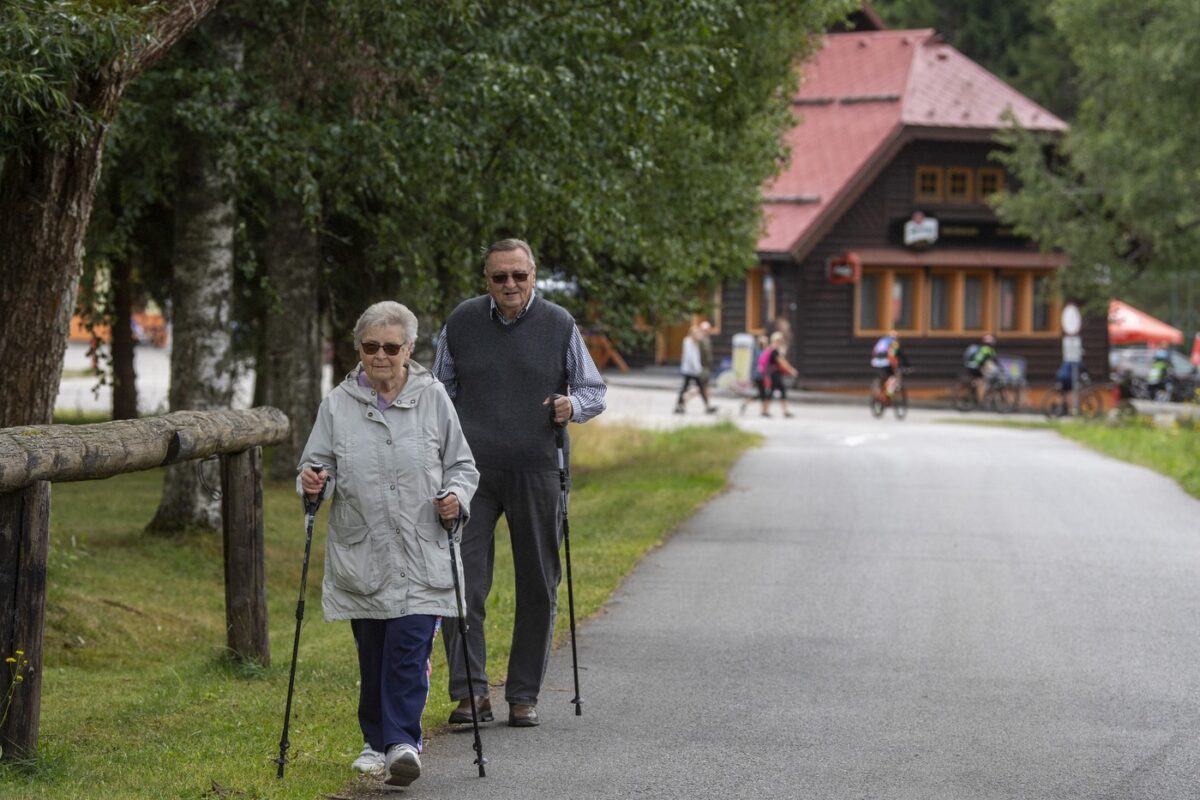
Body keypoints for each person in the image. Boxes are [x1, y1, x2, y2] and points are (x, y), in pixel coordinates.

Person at [297, 301, 479, 788]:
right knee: (373, 649)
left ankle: (402, 742)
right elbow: (316, 466)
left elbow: (462, 466)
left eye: (391, 347)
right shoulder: (337, 404)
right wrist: (314, 483)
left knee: (408, 645)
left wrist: (455, 498)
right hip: (364, 552)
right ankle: (375, 742)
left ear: (409, 350)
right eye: (371, 346)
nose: (381, 356)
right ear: (360, 349)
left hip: (423, 548)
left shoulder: (434, 397)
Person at [433, 238, 607, 728]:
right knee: (460, 578)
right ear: (485, 279)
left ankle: (523, 694)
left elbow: (593, 389)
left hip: (538, 467)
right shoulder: (462, 321)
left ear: (533, 276)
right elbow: (438, 387)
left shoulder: (559, 324)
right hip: (470, 472)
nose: (510, 285)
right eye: (499, 277)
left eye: (519, 276)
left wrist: (572, 406)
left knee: (538, 583)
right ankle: (471, 694)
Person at [674, 320, 718, 414]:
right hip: (691, 370)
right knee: (688, 388)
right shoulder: (688, 342)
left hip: (694, 370)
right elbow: (691, 358)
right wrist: (698, 368)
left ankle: (706, 406)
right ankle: (681, 404)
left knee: (699, 388)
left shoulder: (696, 342)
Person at [758, 331, 798, 417]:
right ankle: (765, 411)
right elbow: (782, 362)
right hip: (774, 374)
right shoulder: (774, 351)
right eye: (780, 340)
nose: (781, 342)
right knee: (773, 392)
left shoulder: (771, 349)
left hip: (773, 374)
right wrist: (791, 370)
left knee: (781, 391)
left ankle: (784, 411)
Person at [870, 329, 908, 396]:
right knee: (892, 376)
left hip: (875, 362)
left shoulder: (881, 341)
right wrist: (906, 365)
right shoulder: (894, 343)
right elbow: (896, 355)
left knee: (881, 377)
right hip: (886, 362)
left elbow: (874, 352)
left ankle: (878, 392)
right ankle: (889, 392)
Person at [740, 334, 770, 415]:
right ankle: (763, 411)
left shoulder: (764, 351)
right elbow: (756, 364)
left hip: (762, 375)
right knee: (762, 393)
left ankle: (748, 404)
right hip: (758, 375)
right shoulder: (757, 351)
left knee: (762, 393)